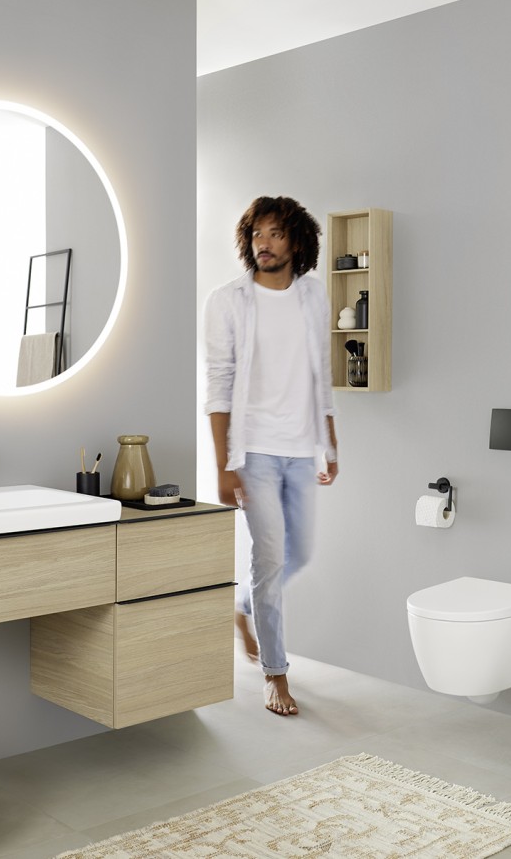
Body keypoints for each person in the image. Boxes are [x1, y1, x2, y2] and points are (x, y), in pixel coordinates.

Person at [204, 195, 338, 717]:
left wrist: (330, 440)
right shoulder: (228, 300)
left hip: (302, 450)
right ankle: (275, 674)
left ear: (297, 241)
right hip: (254, 452)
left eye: (277, 233)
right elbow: (218, 385)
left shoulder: (313, 296)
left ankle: (243, 607)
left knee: (298, 554)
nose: (265, 242)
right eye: (258, 233)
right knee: (270, 558)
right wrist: (223, 465)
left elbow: (320, 374)